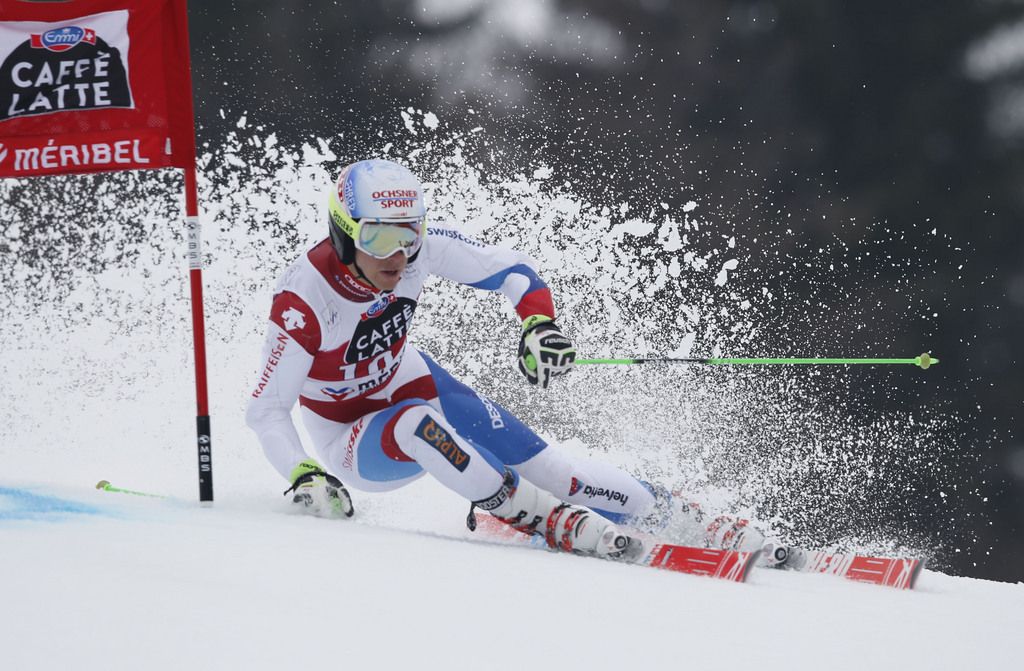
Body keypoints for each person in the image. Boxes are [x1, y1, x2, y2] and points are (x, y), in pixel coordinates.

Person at [245, 158, 786, 564]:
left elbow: (514, 271)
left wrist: (538, 323)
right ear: (344, 233)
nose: (396, 255)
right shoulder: (305, 300)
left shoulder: (418, 252)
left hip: (408, 379)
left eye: (408, 235)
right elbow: (267, 410)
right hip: (350, 439)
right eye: (377, 236)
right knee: (416, 425)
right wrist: (304, 473)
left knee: (555, 469)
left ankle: (683, 518)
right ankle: (531, 513)